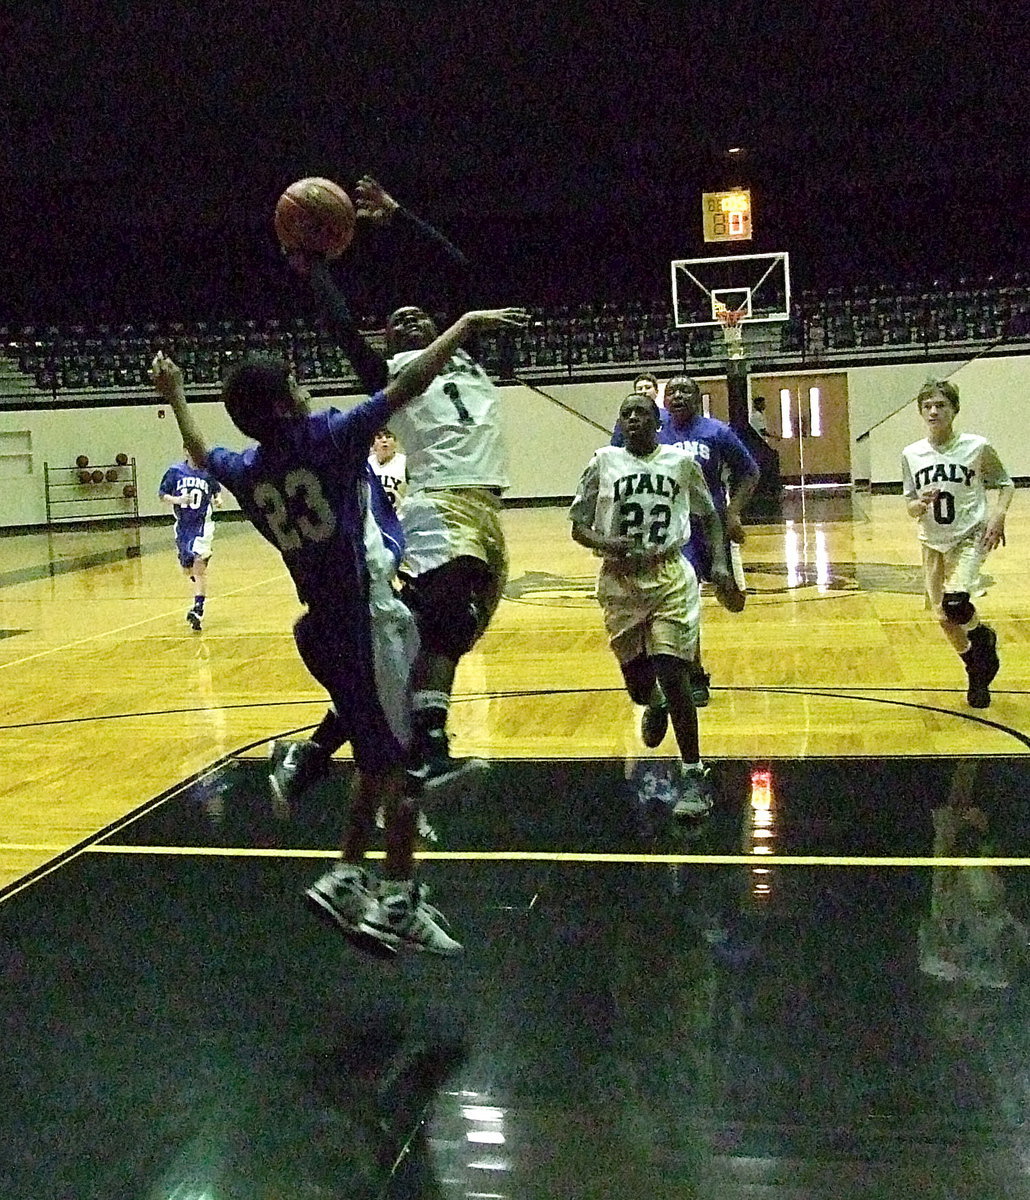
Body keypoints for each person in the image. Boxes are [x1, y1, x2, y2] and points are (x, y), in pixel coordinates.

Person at [151, 303, 528, 957]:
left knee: (377, 754)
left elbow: (200, 452)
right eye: (296, 382)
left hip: (321, 630)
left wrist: (176, 396)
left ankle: (344, 869)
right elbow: (407, 386)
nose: (307, 385)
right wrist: (462, 329)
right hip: (369, 621)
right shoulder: (329, 437)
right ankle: (398, 898)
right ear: (282, 406)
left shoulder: (249, 469)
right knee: (405, 758)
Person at [271, 174, 516, 802]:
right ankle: (431, 749)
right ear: (390, 341)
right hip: (442, 503)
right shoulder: (392, 376)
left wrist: (398, 216)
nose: (409, 318)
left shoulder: (467, 357)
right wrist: (317, 269)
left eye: (418, 314)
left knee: (412, 653)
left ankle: (314, 751)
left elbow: (457, 268)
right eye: (398, 319)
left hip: (487, 513)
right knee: (443, 626)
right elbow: (344, 331)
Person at [570, 392, 731, 821]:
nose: (633, 419)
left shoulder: (680, 464)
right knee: (639, 686)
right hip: (620, 579)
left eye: (641, 412)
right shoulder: (603, 462)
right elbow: (578, 527)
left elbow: (709, 514)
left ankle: (694, 772)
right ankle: (653, 702)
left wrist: (718, 562)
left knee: (673, 669)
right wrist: (606, 542)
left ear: (657, 422)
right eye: (626, 413)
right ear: (620, 423)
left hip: (669, 574)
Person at [613, 374, 759, 705]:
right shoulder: (655, 430)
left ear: (698, 398)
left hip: (714, 523)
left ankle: (678, 664)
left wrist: (734, 512)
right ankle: (694, 675)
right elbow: (618, 459)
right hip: (677, 531)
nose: (678, 395)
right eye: (673, 391)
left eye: (686, 391)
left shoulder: (716, 431)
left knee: (734, 600)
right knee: (686, 601)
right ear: (664, 401)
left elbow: (750, 472)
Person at [901, 379, 1012, 708]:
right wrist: (918, 505)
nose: (934, 411)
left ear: (954, 409)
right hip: (932, 542)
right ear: (921, 412)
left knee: (956, 603)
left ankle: (981, 639)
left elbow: (1005, 484)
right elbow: (909, 506)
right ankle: (976, 669)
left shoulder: (976, 447)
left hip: (969, 536)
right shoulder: (911, 454)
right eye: (927, 406)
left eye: (940, 405)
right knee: (945, 620)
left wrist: (998, 515)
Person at [158, 448, 222, 630]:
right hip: (183, 527)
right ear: (185, 451)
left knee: (199, 565)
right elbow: (162, 495)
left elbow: (216, 491)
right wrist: (177, 500)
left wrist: (217, 500)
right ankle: (196, 577)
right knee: (188, 569)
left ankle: (198, 608)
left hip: (203, 526)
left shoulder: (208, 473)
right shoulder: (175, 472)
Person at [368, 426, 407, 509]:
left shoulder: (404, 462)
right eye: (379, 437)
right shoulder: (367, 463)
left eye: (389, 437)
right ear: (373, 445)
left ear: (395, 443)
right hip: (372, 519)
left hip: (398, 518)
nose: (384, 440)